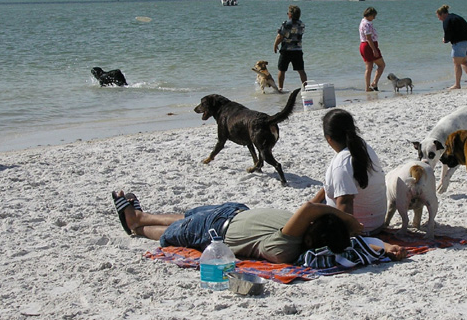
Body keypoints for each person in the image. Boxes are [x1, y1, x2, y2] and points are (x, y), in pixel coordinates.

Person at [112, 191, 406, 263]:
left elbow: (309, 207)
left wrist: (347, 219)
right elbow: (346, 242)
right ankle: (145, 214)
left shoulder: (284, 248)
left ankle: (136, 224)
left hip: (212, 232)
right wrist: (381, 247)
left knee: (170, 235)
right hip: (233, 212)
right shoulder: (300, 231)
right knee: (185, 216)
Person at [310, 109, 387, 235]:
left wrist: (343, 237)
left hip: (362, 227)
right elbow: (331, 187)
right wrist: (310, 205)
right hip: (376, 221)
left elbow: (346, 203)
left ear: (329, 139)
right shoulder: (362, 146)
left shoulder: (342, 163)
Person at [436, 4, 467, 89]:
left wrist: (445, 40)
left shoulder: (446, 20)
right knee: (464, 61)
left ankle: (457, 84)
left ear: (442, 14)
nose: (439, 19)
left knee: (456, 63)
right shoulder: (456, 17)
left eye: (438, 16)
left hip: (460, 42)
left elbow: (447, 34)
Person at [273, 5, 307, 92]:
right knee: (301, 70)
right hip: (297, 50)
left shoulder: (286, 24)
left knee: (282, 70)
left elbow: (280, 36)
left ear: (290, 15)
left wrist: (275, 44)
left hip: (286, 50)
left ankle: (280, 88)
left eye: (288, 13)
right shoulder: (302, 24)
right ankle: (306, 87)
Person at [359, 7, 386, 92]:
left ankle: (368, 87)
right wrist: (374, 50)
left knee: (369, 67)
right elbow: (369, 38)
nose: (374, 18)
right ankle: (374, 84)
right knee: (381, 65)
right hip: (369, 46)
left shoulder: (363, 21)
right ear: (369, 15)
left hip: (364, 45)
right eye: (373, 16)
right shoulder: (367, 24)